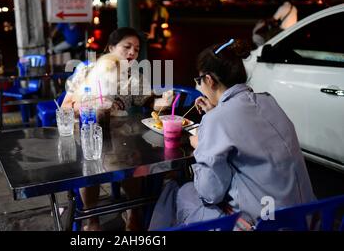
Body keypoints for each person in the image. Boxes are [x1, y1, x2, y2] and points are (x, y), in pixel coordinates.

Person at [149, 38, 315, 230]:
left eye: (199, 80)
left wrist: (205, 138)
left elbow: (210, 193)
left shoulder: (217, 120)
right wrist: (215, 112)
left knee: (179, 191)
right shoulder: (269, 101)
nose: (200, 86)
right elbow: (249, 131)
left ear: (209, 80)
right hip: (306, 218)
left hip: (264, 223)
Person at [61, 27, 173, 231]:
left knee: (131, 159)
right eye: (127, 47)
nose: (132, 53)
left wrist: (164, 101)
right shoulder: (87, 71)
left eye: (137, 49)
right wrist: (88, 107)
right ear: (111, 47)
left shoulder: (133, 77)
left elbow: (150, 103)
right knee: (90, 165)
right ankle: (92, 221)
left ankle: (134, 213)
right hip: (88, 133)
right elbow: (66, 106)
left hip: (121, 137)